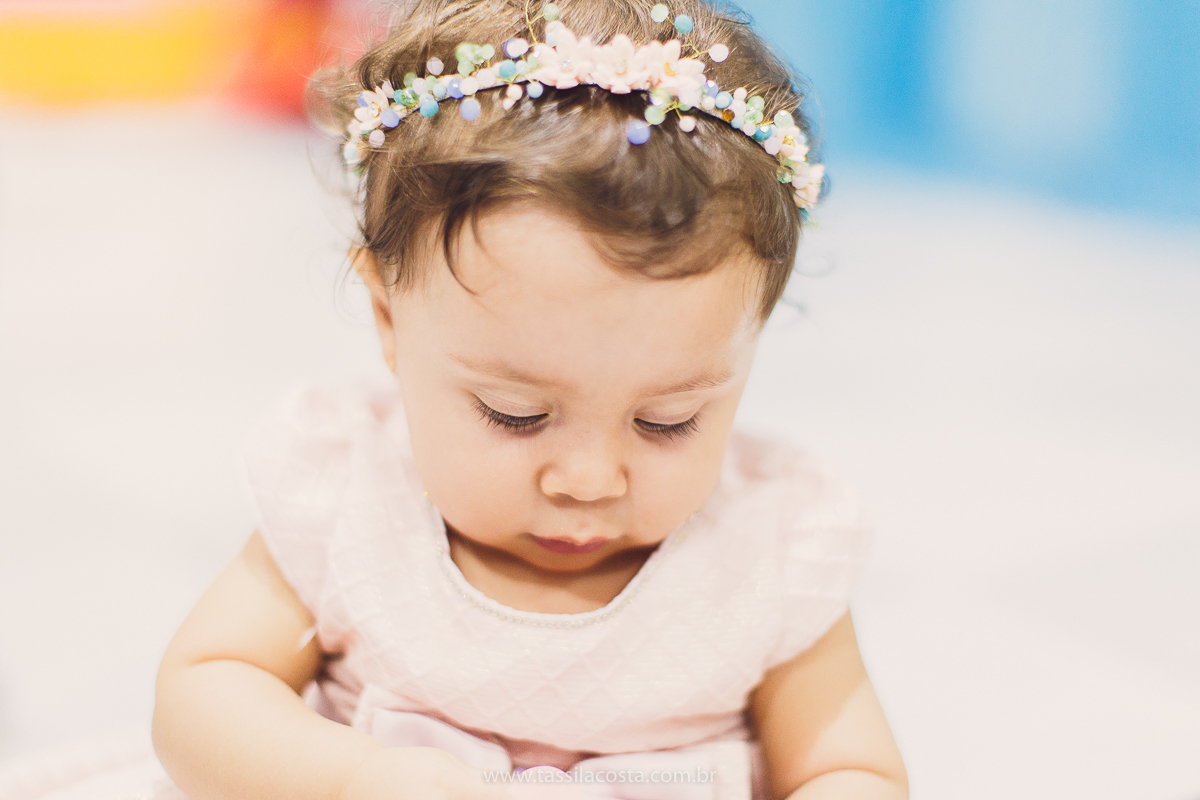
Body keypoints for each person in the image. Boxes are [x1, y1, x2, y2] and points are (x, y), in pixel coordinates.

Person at [151, 1, 908, 799]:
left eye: (668, 420)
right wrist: (351, 779)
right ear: (388, 318)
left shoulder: (771, 547)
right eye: (515, 413)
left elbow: (849, 769)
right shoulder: (347, 490)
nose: (588, 478)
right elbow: (203, 694)